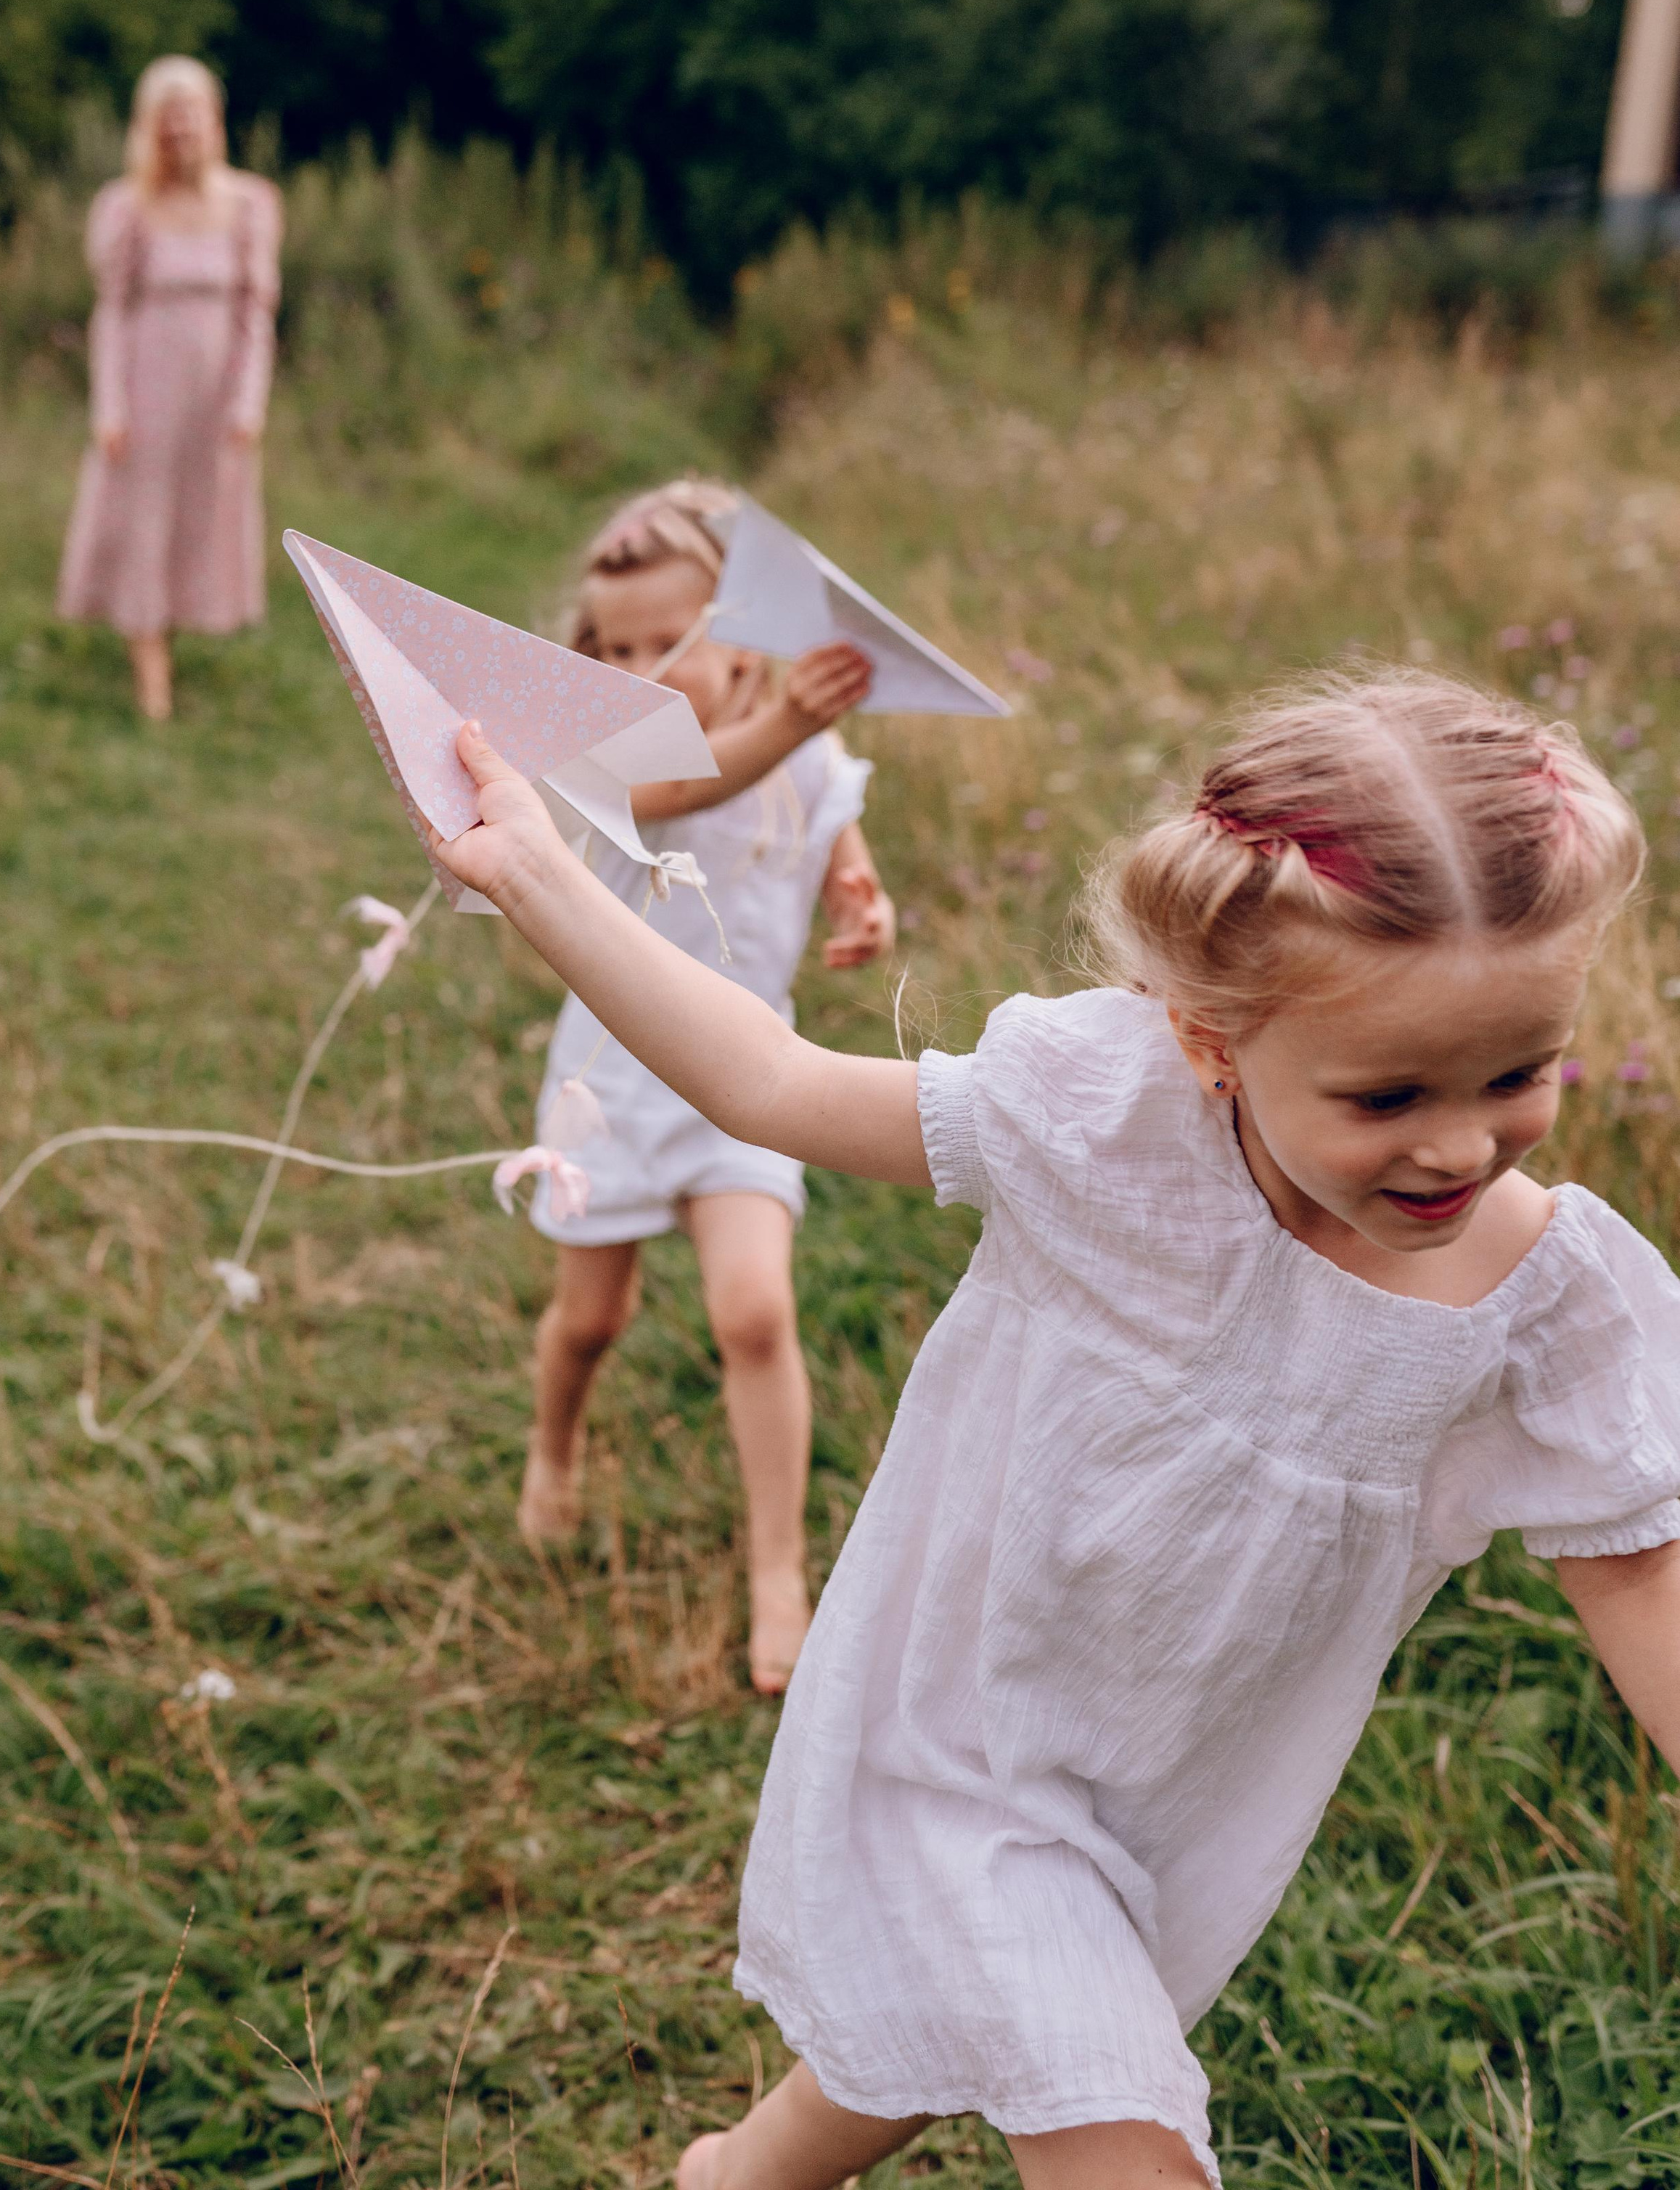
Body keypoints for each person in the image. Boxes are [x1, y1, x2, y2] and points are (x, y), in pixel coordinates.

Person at [423, 667, 1680, 2190]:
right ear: (1211, 1037)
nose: (1459, 1141)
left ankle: (729, 2176)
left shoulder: (1545, 1310)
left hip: (1174, 1807)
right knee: (1087, 2098)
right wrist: (540, 873)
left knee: (941, 2031)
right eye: (1386, 1091)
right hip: (961, 1736)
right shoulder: (1101, 1125)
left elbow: (1644, 1581)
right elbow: (770, 1080)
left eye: (1518, 1072)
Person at [518, 480, 895, 1697]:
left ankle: (777, 1569)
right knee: (591, 1318)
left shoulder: (806, 743)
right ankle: (555, 1445)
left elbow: (826, 818)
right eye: (615, 648)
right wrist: (785, 714)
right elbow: (697, 787)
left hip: (746, 1078)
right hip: (611, 1082)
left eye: (666, 642)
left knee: (754, 1313)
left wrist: (860, 895)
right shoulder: (614, 754)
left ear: (737, 624)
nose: (642, 668)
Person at [57, 55, 283, 722]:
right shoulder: (124, 207)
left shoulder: (252, 203)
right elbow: (112, 311)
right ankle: (150, 683)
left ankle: (176, 637)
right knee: (141, 525)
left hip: (217, 401)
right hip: (145, 392)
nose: (181, 132)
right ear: (149, 129)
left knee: (198, 526)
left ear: (214, 122)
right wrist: (110, 405)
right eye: (168, 121)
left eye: (193, 117)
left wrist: (249, 402)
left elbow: (256, 312)